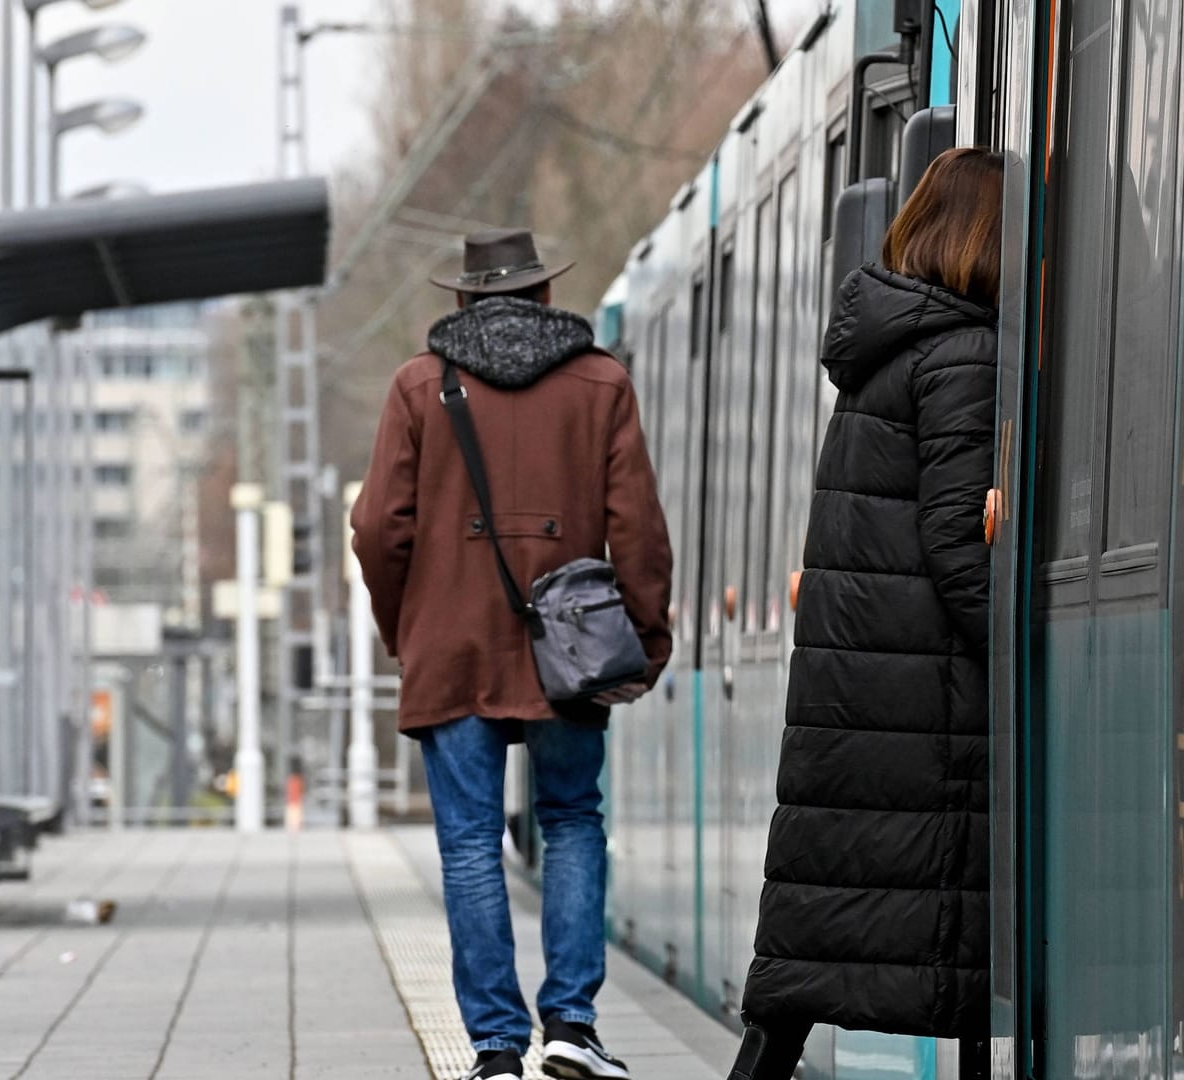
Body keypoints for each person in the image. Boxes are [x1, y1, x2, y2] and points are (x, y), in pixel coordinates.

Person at [351, 228, 673, 1080]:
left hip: (450, 648)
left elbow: (377, 530)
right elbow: (638, 525)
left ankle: (495, 1050)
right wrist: (645, 637)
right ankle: (570, 1024)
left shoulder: (420, 385)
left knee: (468, 843)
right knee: (570, 820)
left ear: (462, 301)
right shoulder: (600, 382)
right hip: (569, 648)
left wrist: (405, 627)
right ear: (542, 297)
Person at [729, 148, 1004, 1080]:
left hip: (867, 697)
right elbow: (962, 549)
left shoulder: (885, 358)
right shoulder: (967, 355)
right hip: (927, 705)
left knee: (814, 951)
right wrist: (1029, 657)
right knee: (948, 933)